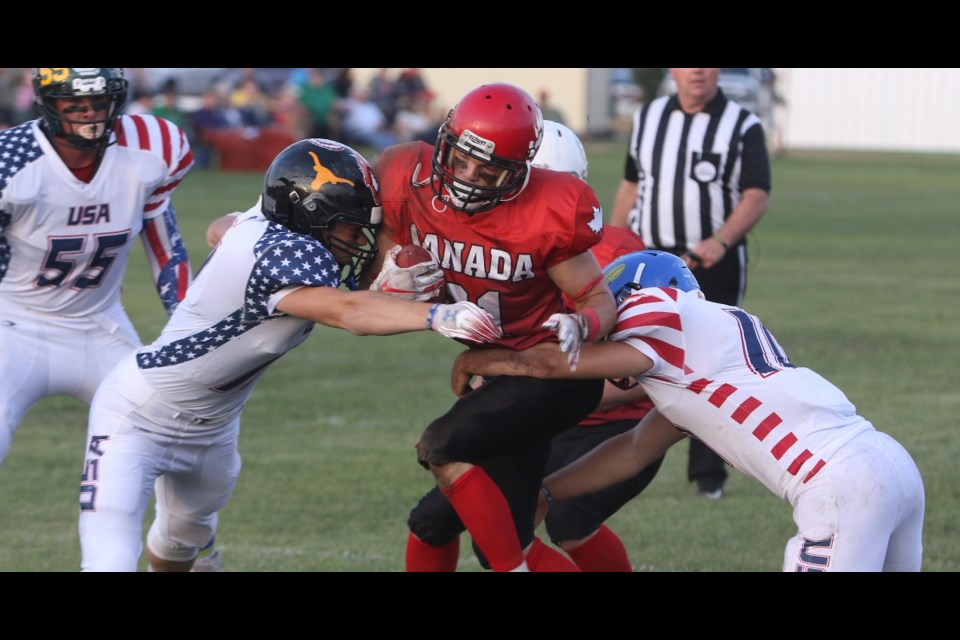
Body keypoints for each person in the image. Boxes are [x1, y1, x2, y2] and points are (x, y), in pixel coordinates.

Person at [78, 138, 501, 572]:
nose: (359, 242)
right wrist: (434, 314)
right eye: (351, 230)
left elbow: (220, 227)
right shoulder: (281, 250)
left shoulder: (269, 225)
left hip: (215, 427)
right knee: (109, 560)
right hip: (138, 415)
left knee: (182, 541)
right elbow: (347, 311)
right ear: (311, 214)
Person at [451, 250, 926, 572]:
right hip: (888, 462)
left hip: (838, 482)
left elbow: (562, 363)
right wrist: (547, 493)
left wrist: (478, 359)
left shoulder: (658, 309)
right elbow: (634, 448)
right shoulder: (710, 344)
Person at [368, 84, 618, 572]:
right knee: (465, 530)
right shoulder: (407, 178)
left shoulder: (547, 210)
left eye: (487, 172)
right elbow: (377, 253)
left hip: (554, 374)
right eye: (460, 161)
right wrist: (389, 271)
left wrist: (581, 323)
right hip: (502, 376)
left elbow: (598, 297)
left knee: (441, 445)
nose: (466, 178)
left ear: (521, 172)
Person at [0, 68, 192, 499]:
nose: (88, 113)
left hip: (100, 325)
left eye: (97, 102)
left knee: (175, 438)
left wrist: (187, 330)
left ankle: (191, 553)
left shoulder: (150, 148)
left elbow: (166, 246)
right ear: (48, 103)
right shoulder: (11, 162)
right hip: (12, 324)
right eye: (74, 104)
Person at [610, 67, 772, 500]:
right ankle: (612, 456)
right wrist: (613, 245)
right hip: (648, 260)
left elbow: (756, 193)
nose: (697, 71)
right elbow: (630, 185)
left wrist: (720, 241)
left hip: (710, 261)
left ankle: (708, 475)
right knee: (632, 354)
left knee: (709, 365)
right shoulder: (649, 117)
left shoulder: (743, 124)